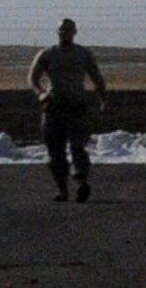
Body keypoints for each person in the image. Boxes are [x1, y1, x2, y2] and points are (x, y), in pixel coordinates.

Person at [27, 18, 108, 203]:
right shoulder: (47, 54)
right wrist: (40, 93)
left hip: (77, 106)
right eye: (62, 30)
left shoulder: (84, 54)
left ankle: (81, 182)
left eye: (69, 30)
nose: (65, 33)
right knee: (55, 151)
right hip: (54, 107)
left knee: (78, 146)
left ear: (75, 32)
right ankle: (61, 188)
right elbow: (33, 77)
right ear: (57, 32)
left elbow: (97, 78)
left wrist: (103, 99)